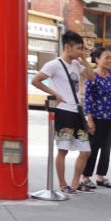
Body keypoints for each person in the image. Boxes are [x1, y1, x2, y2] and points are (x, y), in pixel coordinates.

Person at [32, 30, 95, 195]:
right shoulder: (54, 64)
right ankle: (62, 184)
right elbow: (36, 80)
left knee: (86, 150)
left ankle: (75, 182)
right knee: (63, 149)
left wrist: (83, 59)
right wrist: (54, 94)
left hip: (77, 112)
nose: (81, 51)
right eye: (78, 48)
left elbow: (92, 77)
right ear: (67, 47)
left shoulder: (76, 64)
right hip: (64, 112)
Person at [81, 46, 111, 190]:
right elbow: (87, 99)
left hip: (110, 117)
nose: (110, 60)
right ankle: (85, 177)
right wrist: (89, 120)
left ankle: (100, 176)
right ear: (97, 59)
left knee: (106, 148)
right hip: (96, 117)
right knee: (92, 148)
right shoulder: (92, 76)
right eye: (107, 57)